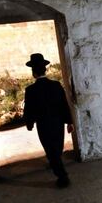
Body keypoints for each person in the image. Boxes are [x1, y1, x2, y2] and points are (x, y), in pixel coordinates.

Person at [23, 53, 74, 188]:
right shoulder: (56, 86)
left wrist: (29, 123)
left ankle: (62, 176)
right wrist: (69, 122)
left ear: (33, 73)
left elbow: (29, 109)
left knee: (50, 150)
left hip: (43, 125)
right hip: (57, 124)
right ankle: (58, 168)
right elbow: (64, 105)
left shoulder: (30, 90)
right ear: (45, 69)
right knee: (57, 148)